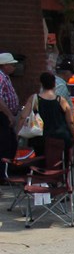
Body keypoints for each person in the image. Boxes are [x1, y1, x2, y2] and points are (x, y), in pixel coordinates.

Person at [14, 71, 74, 180]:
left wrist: (17, 133)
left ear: (41, 84)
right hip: (60, 137)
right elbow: (70, 121)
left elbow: (23, 117)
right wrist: (73, 135)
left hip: (39, 137)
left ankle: (41, 179)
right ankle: (61, 179)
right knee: (62, 158)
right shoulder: (61, 100)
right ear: (54, 84)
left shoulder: (34, 99)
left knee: (40, 159)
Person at [0, 52, 20, 181]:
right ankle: (2, 175)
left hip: (6, 115)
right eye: (11, 64)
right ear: (4, 65)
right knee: (5, 145)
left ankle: (5, 172)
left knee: (11, 143)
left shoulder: (5, 77)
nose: (14, 67)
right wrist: (9, 115)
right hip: (2, 116)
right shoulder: (0, 77)